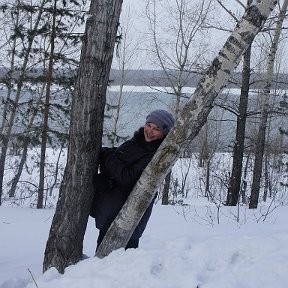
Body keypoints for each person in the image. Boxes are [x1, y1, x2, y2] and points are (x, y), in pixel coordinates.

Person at [90, 109, 175, 250]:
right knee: (102, 258)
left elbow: (128, 177)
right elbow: (120, 160)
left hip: (126, 217)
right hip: (112, 209)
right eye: (149, 125)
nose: (150, 131)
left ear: (164, 133)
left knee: (120, 262)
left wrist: (107, 157)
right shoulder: (137, 142)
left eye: (156, 129)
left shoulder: (156, 155)